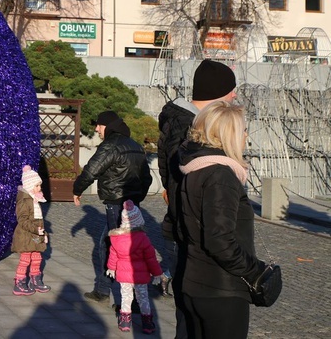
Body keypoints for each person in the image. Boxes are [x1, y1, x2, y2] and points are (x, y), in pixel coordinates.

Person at [157, 59, 237, 336]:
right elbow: (183, 183)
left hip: (188, 228)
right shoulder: (187, 125)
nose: (234, 96)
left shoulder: (181, 120)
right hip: (194, 233)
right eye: (230, 91)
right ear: (218, 94)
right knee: (190, 319)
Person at [178, 101, 266, 339]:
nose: (246, 135)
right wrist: (255, 270)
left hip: (197, 283)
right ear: (229, 134)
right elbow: (219, 239)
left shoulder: (195, 168)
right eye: (242, 130)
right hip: (221, 290)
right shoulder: (220, 175)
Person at [73, 110, 151, 305]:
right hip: (133, 205)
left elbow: (92, 169)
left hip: (116, 204)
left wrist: (77, 189)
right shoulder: (135, 145)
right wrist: (137, 197)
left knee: (116, 248)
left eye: (98, 125)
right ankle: (107, 290)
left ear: (106, 126)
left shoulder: (111, 145)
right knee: (118, 246)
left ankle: (120, 296)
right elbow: (147, 178)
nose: (96, 129)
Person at [107, 199, 163, 334]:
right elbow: (151, 259)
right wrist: (156, 273)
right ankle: (147, 322)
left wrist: (111, 268)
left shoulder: (117, 239)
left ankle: (125, 321)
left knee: (126, 296)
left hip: (124, 274)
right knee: (143, 297)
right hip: (140, 275)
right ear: (139, 220)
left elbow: (113, 255)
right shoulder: (143, 239)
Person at [11, 165, 51, 296]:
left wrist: (43, 233)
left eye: (40, 185)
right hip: (26, 234)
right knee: (25, 258)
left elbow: (38, 219)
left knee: (37, 257)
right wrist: (36, 229)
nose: (39, 188)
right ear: (29, 186)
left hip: (35, 234)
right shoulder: (24, 200)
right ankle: (20, 282)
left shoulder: (34, 199)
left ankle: (35, 278)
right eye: (37, 186)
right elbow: (22, 220)